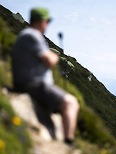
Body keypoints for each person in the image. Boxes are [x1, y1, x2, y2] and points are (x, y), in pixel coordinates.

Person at [11, 7, 79, 145]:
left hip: (26, 82)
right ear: (42, 22)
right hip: (35, 84)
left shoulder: (24, 35)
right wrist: (55, 56)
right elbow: (49, 59)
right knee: (71, 103)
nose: (47, 25)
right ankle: (68, 142)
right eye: (46, 22)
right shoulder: (33, 36)